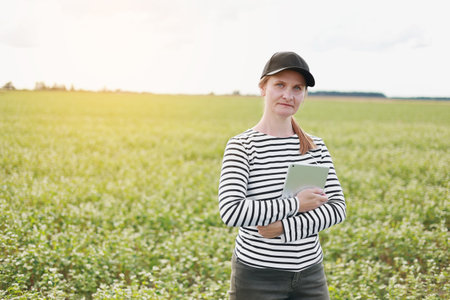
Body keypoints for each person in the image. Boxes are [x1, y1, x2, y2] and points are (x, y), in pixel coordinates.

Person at [218, 51, 346, 300]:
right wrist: (297, 204)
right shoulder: (242, 146)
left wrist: (284, 227)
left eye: (297, 88)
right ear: (263, 88)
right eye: (280, 85)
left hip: (310, 275)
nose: (289, 95)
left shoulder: (315, 147)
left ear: (304, 94)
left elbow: (337, 209)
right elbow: (231, 211)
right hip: (257, 276)